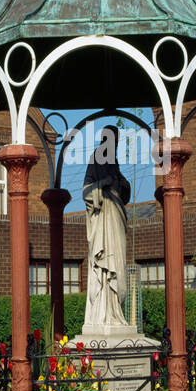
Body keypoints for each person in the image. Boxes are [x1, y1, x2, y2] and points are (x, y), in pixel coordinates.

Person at [82, 126, 131, 334]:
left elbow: (123, 190)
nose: (116, 143)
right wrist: (104, 184)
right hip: (103, 219)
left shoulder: (114, 162)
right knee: (105, 265)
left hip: (116, 217)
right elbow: (86, 190)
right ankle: (103, 313)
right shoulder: (96, 158)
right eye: (113, 139)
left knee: (117, 264)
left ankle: (115, 313)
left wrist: (122, 183)